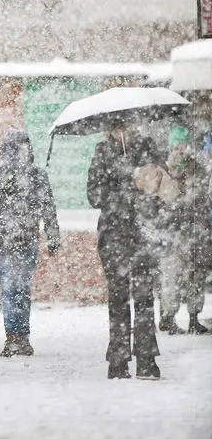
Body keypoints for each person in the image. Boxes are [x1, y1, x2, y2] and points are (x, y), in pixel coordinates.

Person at [87, 126, 163, 380]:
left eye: (126, 125)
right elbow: (93, 196)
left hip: (142, 232)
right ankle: (118, 360)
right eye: (115, 127)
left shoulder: (147, 149)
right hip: (113, 234)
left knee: (144, 297)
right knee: (118, 298)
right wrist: (122, 181)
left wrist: (143, 182)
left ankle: (146, 359)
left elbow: (161, 190)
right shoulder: (102, 153)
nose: (121, 131)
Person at [0, 130, 60, 358]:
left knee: (11, 289)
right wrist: (52, 236)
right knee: (21, 288)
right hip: (24, 239)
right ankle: (20, 335)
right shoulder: (35, 174)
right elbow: (48, 209)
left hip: (6, 240)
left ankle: (14, 335)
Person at [156, 139, 211, 335]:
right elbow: (165, 203)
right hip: (176, 234)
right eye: (176, 148)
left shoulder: (198, 172)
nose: (179, 151)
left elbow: (201, 199)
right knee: (174, 277)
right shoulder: (164, 173)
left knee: (195, 275)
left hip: (195, 233)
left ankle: (193, 318)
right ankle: (169, 317)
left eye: (182, 148)